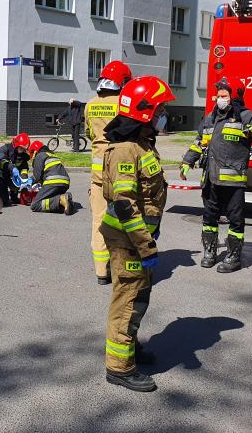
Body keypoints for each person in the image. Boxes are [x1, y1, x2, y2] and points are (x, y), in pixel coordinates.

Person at [100, 75, 174, 393]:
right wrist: (146, 246)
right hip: (129, 239)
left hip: (138, 238)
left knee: (139, 296)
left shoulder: (142, 142)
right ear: (145, 112)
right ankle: (119, 367)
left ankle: (129, 347)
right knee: (128, 299)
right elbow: (126, 205)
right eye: (160, 109)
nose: (164, 115)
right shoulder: (125, 150)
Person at [180, 76, 252, 273]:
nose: (218, 98)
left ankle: (233, 257)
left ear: (234, 96)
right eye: (218, 95)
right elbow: (199, 141)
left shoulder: (247, 116)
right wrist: (188, 161)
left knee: (235, 221)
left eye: (223, 95)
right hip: (211, 180)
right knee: (209, 219)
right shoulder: (211, 118)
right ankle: (210, 252)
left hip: (233, 182)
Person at [86, 60, 132, 285]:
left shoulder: (90, 104)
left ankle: (101, 272)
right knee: (124, 219)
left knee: (98, 221)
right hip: (119, 169)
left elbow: (88, 133)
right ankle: (122, 268)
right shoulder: (124, 103)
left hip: (97, 174)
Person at [28, 140, 73, 215]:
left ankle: (60, 200)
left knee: (35, 205)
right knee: (49, 199)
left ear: (35, 151)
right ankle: (65, 201)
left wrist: (28, 182)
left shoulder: (39, 155)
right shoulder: (51, 155)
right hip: (65, 183)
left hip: (53, 182)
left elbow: (37, 177)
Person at [0, 132, 31, 206]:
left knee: (14, 198)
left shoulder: (22, 154)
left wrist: (24, 179)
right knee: (3, 202)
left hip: (13, 178)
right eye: (21, 149)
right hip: (2, 176)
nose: (23, 151)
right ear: (16, 145)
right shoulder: (4, 149)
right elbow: (1, 161)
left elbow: (24, 167)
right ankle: (3, 195)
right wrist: (12, 168)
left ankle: (14, 195)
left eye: (24, 150)